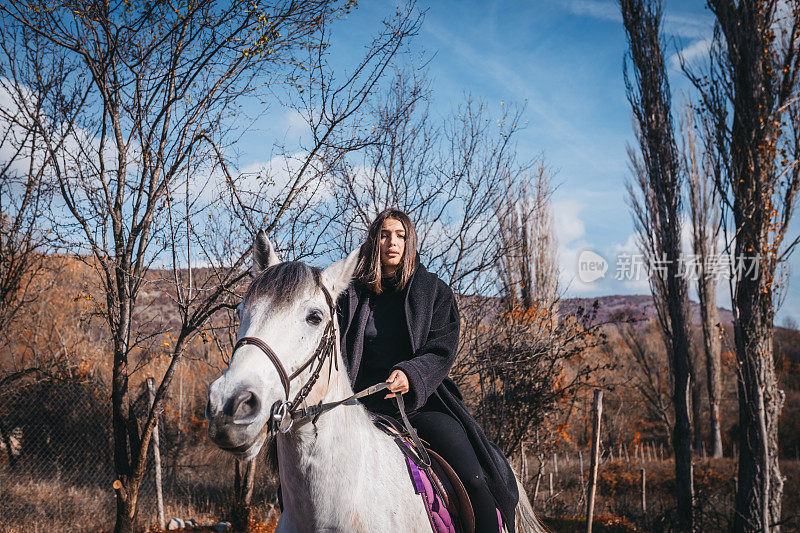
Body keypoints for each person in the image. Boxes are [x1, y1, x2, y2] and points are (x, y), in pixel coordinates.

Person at [337, 208, 519, 533]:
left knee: (475, 479)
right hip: (358, 409)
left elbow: (441, 348)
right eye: (384, 235)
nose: (392, 242)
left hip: (421, 406)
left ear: (410, 242)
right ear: (373, 241)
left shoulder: (433, 291)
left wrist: (411, 373)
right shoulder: (350, 295)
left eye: (400, 235)